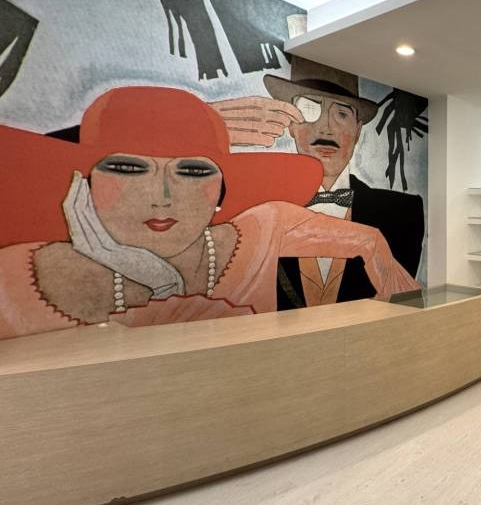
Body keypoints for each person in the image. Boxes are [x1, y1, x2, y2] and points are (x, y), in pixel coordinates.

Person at [0, 86, 420, 340]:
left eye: (193, 170)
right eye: (128, 169)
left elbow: (373, 243)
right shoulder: (16, 277)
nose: (163, 197)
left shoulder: (266, 226)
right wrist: (194, 118)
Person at [211, 57, 424, 308]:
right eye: (310, 109)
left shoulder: (403, 213)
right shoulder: (253, 208)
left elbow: (403, 308)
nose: (326, 128)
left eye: (341, 114)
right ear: (291, 124)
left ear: (357, 131)